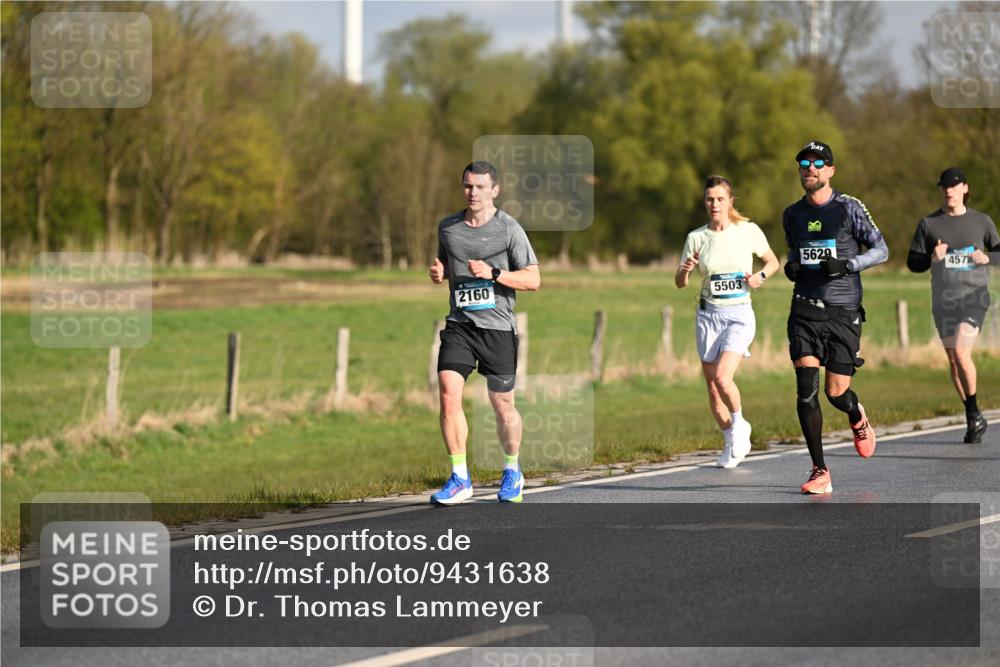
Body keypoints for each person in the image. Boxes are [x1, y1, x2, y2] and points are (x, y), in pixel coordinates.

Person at [427, 160, 541, 505]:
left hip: (498, 329)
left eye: (479, 187)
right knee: (448, 392)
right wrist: (440, 272)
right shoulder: (448, 228)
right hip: (461, 326)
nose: (472, 192)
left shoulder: (509, 229)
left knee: (502, 403)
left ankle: (512, 470)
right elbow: (449, 266)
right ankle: (460, 477)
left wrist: (494, 274)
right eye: (467, 186)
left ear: (494, 190)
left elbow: (533, 280)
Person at [782, 140, 888, 494]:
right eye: (804, 162)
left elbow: (881, 249)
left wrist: (848, 264)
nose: (810, 168)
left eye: (818, 162)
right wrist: (792, 267)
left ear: (830, 170)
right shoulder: (792, 214)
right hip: (805, 310)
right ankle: (819, 471)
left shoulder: (849, 208)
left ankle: (856, 414)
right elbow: (794, 256)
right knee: (806, 390)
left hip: (843, 313)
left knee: (835, 392)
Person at [676, 176, 779, 468]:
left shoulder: (748, 230)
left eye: (720, 199)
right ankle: (730, 441)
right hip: (708, 316)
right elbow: (680, 283)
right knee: (712, 388)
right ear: (705, 202)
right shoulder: (697, 238)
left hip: (739, 314)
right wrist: (684, 271)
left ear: (730, 201)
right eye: (710, 199)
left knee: (723, 377)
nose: (715, 204)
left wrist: (760, 276)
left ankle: (739, 424)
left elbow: (773, 261)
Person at [907, 166, 999, 443]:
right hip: (943, 300)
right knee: (953, 360)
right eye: (945, 186)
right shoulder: (929, 224)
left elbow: (999, 253)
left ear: (965, 189)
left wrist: (988, 259)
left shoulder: (981, 221)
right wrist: (932, 258)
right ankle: (975, 416)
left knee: (961, 352)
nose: (949, 190)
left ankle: (972, 413)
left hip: (974, 297)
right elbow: (913, 263)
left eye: (954, 185)